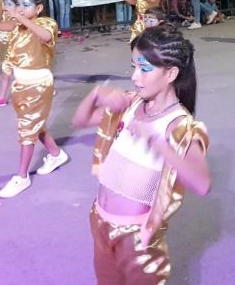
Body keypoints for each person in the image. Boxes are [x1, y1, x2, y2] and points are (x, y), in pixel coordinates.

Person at [71, 25, 211, 285]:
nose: (135, 77)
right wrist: (95, 95)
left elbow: (201, 184)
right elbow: (81, 120)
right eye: (134, 66)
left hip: (136, 235)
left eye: (145, 69)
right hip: (99, 219)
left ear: (170, 73)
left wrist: (157, 142)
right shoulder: (133, 103)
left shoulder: (179, 125)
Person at [0, 0, 69, 198]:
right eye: (18, 4)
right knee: (33, 124)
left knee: (27, 128)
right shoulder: (18, 26)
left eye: (26, 5)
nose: (20, 8)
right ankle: (56, 154)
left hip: (37, 83)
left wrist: (20, 18)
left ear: (38, 9)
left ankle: (22, 176)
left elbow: (45, 37)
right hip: (21, 83)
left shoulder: (46, 23)